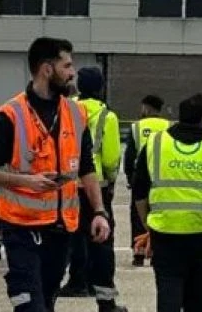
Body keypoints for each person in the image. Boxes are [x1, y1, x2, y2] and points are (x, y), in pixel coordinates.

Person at [0, 37, 112, 312]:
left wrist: (99, 212)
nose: (72, 73)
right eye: (67, 65)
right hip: (21, 227)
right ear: (46, 69)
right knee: (29, 303)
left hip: (60, 229)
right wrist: (27, 181)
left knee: (47, 299)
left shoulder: (77, 113)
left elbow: (86, 168)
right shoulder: (10, 115)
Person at [133, 94, 202, 312]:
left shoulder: (155, 142)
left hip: (164, 230)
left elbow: (139, 191)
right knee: (199, 291)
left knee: (167, 286)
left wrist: (148, 224)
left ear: (178, 118)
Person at [59, 66, 127, 311]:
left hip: (67, 183)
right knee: (101, 242)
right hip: (94, 185)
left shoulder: (66, 108)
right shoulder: (106, 116)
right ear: (100, 87)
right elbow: (110, 158)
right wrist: (109, 182)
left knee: (71, 237)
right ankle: (105, 300)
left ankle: (75, 282)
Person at [123, 94, 168, 267]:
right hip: (161, 177)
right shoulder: (167, 126)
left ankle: (139, 252)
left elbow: (130, 156)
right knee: (159, 214)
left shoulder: (137, 127)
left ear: (147, 108)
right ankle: (157, 250)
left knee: (137, 215)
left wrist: (130, 177)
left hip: (141, 177)